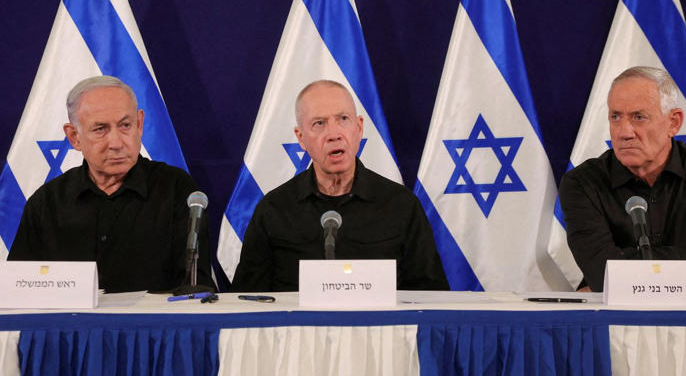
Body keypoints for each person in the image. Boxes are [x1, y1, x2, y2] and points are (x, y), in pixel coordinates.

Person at [231, 80, 449, 292]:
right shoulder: (274, 209)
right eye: (319, 123)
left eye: (343, 119)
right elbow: (246, 300)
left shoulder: (401, 205)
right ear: (301, 138)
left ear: (359, 128)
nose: (334, 135)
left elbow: (431, 296)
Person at [8, 75, 214, 293]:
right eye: (100, 129)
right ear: (74, 136)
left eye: (125, 125)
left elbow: (193, 287)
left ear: (139, 124)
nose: (116, 143)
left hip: (155, 316)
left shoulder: (177, 190)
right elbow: (19, 289)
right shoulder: (47, 203)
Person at [559, 66, 686, 292]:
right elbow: (602, 274)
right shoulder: (582, 182)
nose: (624, 132)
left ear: (673, 123)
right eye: (615, 117)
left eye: (639, 117)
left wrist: (626, 274)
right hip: (617, 314)